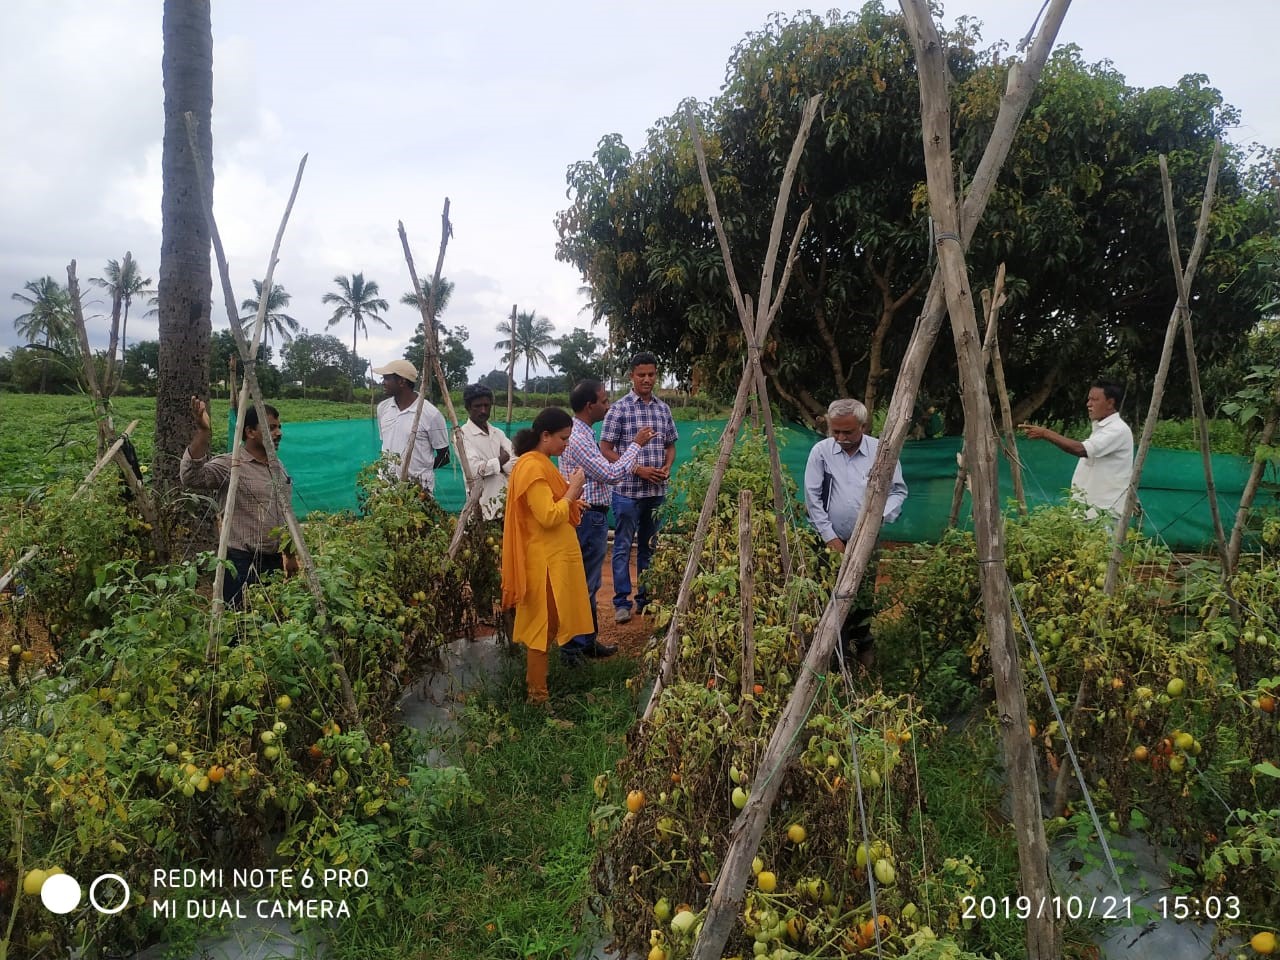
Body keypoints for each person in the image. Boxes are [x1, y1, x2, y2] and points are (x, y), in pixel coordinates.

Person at [803, 398, 908, 668]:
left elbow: (897, 491)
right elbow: (812, 499)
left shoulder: (881, 451)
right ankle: (835, 657)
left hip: (867, 540)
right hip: (830, 540)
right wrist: (831, 538)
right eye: (835, 431)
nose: (840, 437)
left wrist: (876, 520)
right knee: (831, 596)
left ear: (863, 425)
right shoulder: (821, 452)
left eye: (847, 432)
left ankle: (863, 648)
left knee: (862, 595)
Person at [558, 379, 658, 660]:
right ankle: (573, 648)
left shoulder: (582, 433)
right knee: (584, 584)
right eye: (603, 401)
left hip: (592, 515)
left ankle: (586, 641)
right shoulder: (578, 438)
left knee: (588, 583)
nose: (607, 405)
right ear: (589, 406)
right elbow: (611, 474)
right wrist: (636, 445)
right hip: (588, 516)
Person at [501, 408, 594, 706]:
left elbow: (552, 506)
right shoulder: (532, 468)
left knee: (549, 626)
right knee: (542, 630)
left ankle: (539, 691)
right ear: (545, 436)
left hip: (552, 559)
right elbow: (549, 516)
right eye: (563, 438)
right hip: (544, 565)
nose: (567, 445)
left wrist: (573, 501)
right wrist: (574, 490)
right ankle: (537, 698)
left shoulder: (540, 464)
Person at [181, 396, 296, 607]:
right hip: (241, 563)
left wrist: (289, 554)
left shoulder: (277, 466)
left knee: (271, 626)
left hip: (273, 561)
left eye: (279, 427)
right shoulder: (231, 464)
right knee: (239, 628)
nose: (279, 433)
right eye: (271, 428)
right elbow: (191, 476)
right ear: (250, 432)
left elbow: (284, 512)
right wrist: (203, 432)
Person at [599, 352, 678, 623]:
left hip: (655, 494)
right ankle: (622, 602)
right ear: (631, 375)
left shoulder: (663, 410)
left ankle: (645, 599)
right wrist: (636, 469)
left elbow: (670, 445)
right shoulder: (619, 409)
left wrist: (666, 467)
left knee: (649, 546)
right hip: (627, 493)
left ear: (656, 375)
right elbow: (606, 449)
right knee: (622, 546)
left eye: (651, 374)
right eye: (641, 374)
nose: (647, 379)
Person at [1019, 379, 1134, 520]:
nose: (1089, 404)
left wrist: (1045, 433)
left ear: (1110, 403)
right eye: (1089, 399)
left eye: (1095, 400)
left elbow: (1081, 449)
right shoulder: (1102, 429)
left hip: (1104, 514)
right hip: (1088, 512)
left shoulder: (1117, 430)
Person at [372, 359, 449, 493]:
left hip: (418, 490)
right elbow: (387, 444)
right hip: (386, 487)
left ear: (402, 382)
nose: (383, 382)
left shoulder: (430, 414)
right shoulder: (382, 408)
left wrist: (420, 473)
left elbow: (445, 456)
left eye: (387, 378)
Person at [458, 383, 514, 521]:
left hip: (506, 505)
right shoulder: (462, 435)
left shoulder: (497, 433)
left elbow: (516, 462)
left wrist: (497, 465)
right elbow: (473, 470)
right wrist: (501, 460)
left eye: (486, 405)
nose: (483, 410)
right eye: (477, 406)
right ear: (468, 408)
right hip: (482, 507)